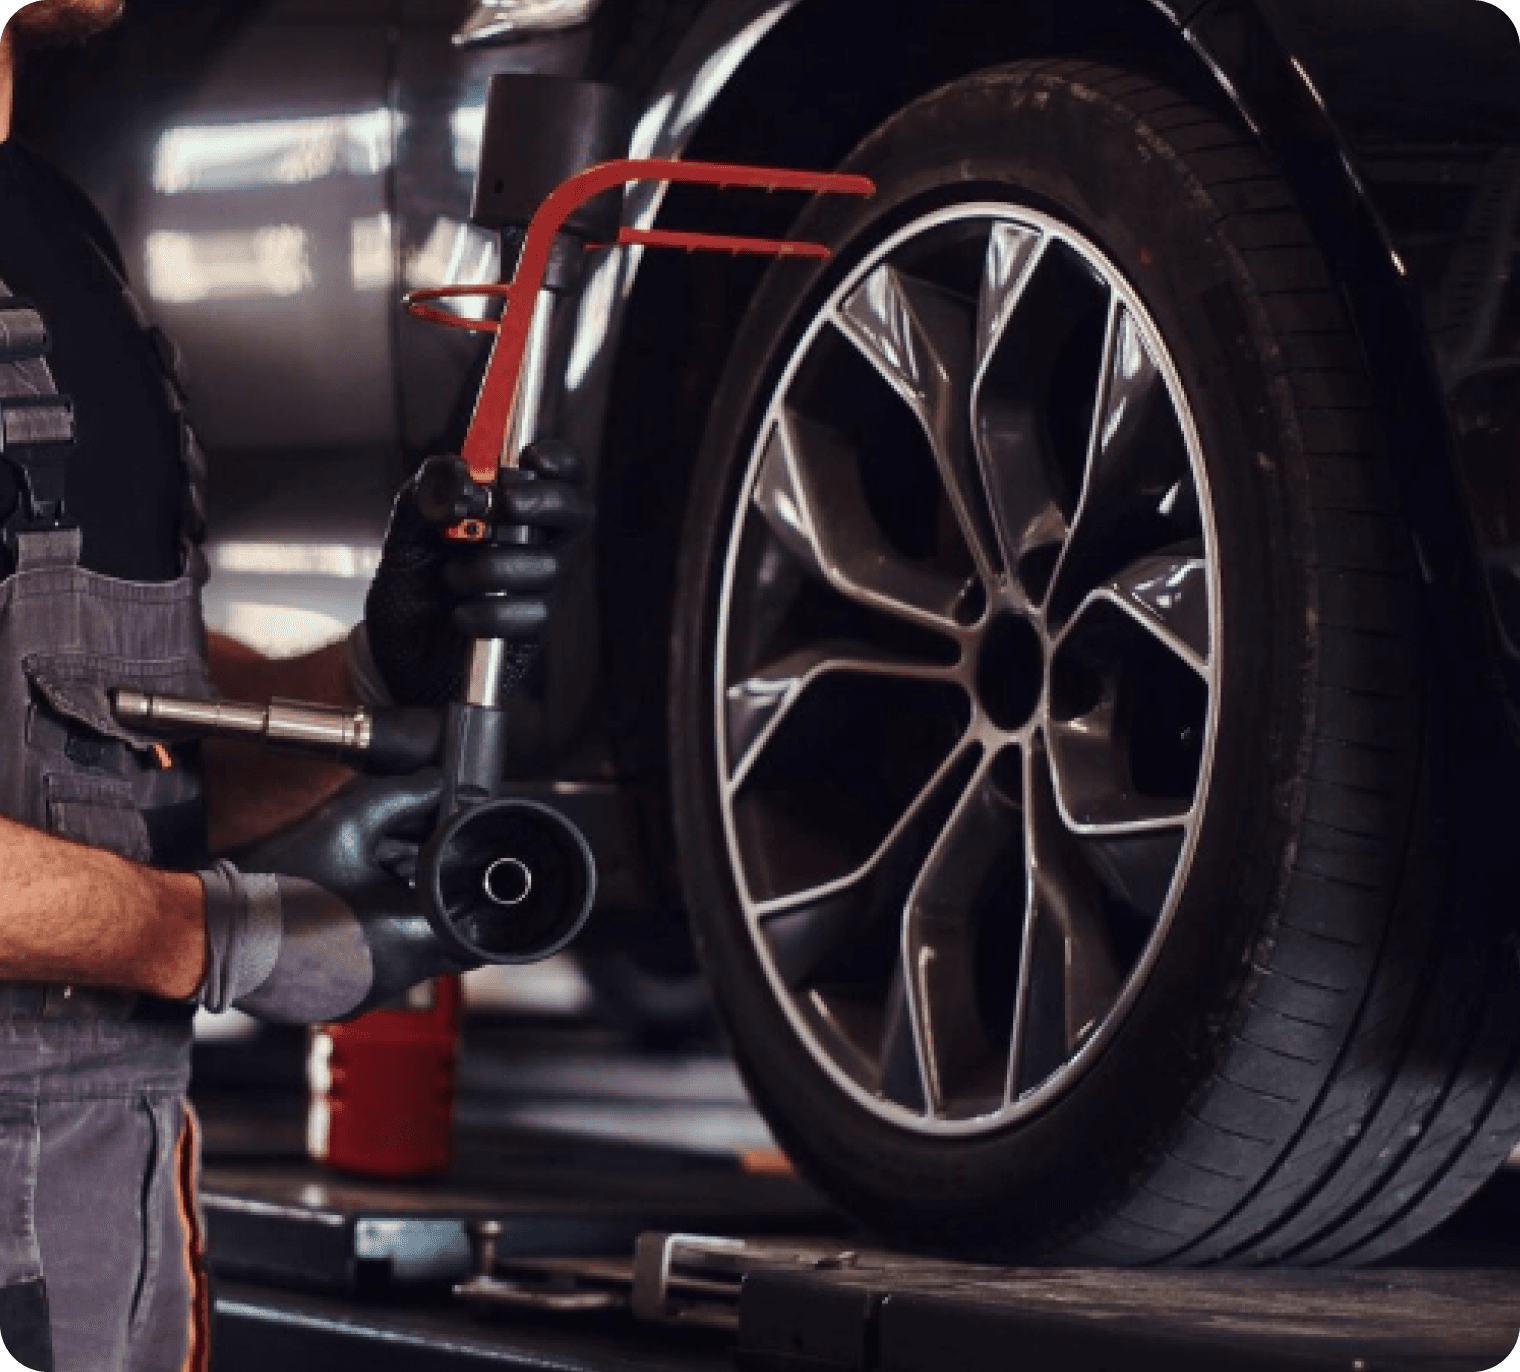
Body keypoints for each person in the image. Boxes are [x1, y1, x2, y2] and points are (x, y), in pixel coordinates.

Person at [0, 2, 590, 1368]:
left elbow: (89, 754)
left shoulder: (47, 228)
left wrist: (378, 668)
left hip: (102, 1231)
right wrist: (225, 940)